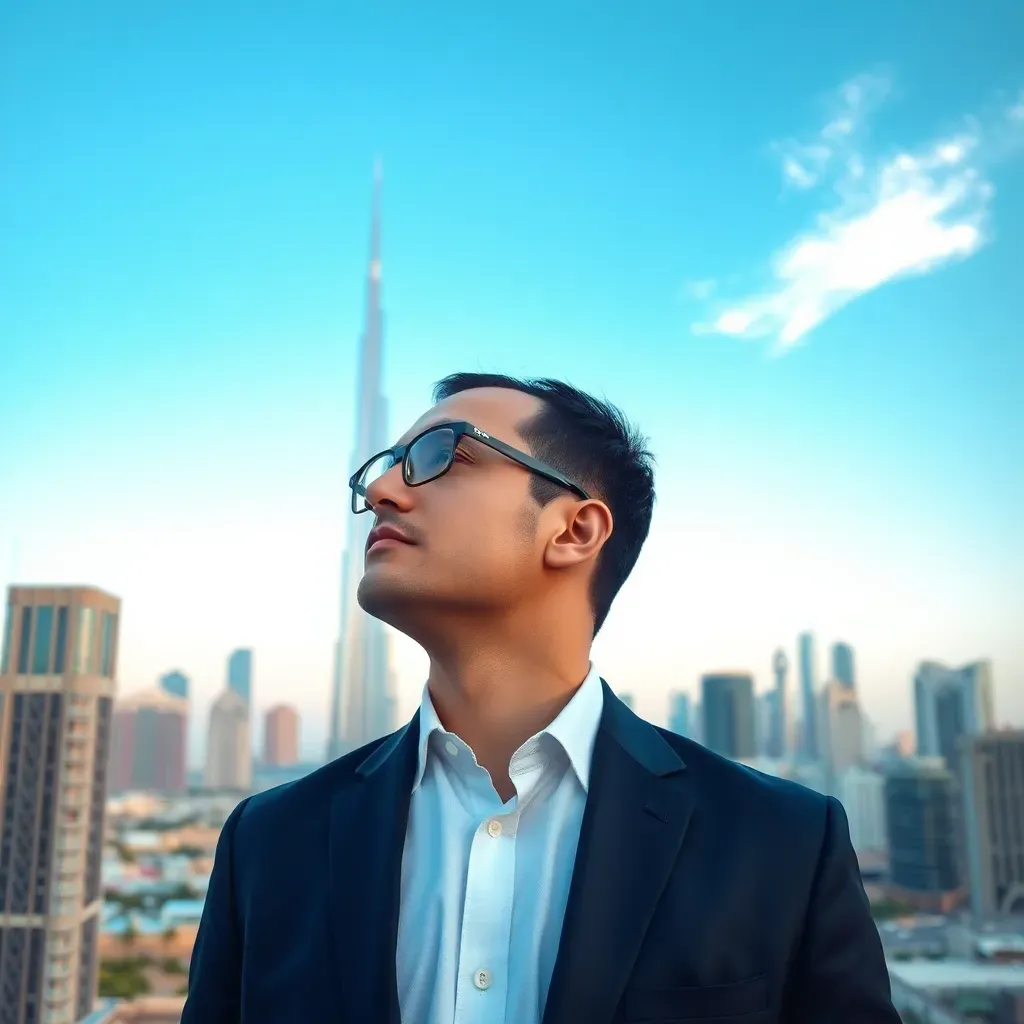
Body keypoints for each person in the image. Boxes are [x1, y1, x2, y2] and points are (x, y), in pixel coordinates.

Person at [182, 373, 900, 1024]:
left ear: (574, 530)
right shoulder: (268, 843)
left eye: (440, 455)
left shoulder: (781, 843)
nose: (382, 492)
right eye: (384, 467)